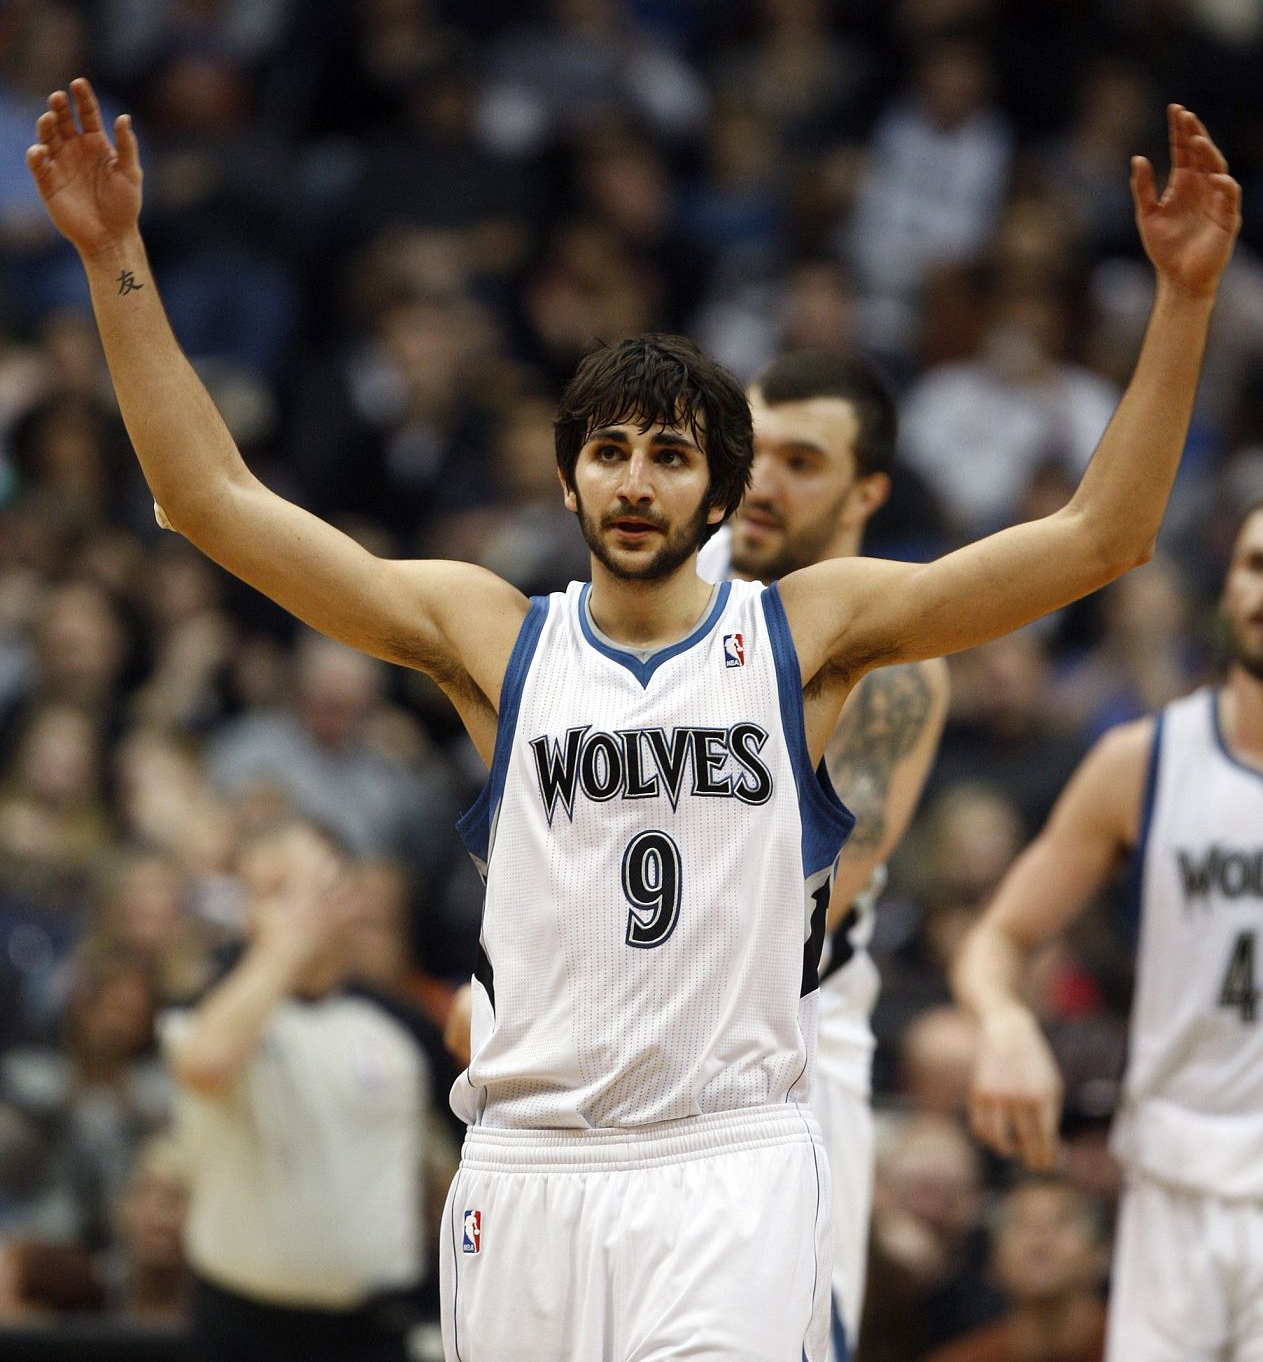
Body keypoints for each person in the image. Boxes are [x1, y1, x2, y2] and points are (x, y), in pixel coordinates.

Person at [26, 80, 1239, 1361]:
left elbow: (1104, 537)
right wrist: (117, 258)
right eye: (610, 451)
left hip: (725, 1161)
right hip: (528, 1163)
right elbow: (210, 497)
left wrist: (1184, 301)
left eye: (670, 454)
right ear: (568, 476)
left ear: (721, 489)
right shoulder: (493, 634)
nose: (637, 479)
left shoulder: (803, 633)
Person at [952, 498, 1263, 1362]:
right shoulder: (1147, 761)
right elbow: (995, 939)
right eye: (1250, 566)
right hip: (1174, 1182)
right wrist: (1006, 1023)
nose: (1260, 590)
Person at [697, 349, 950, 1360]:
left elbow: (811, 905)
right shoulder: (654, 592)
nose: (761, 481)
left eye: (802, 460)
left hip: (792, 1043)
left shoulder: (895, 664)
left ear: (867, 491)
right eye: (752, 450)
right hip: (630, 1016)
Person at [160, 819, 433, 1362]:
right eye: (265, 894)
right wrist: (286, 946)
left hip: (373, 1327)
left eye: (297, 891)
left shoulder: (401, 1025)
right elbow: (208, 1063)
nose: (285, 913)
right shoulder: (211, 1003)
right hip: (243, 1326)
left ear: (348, 898)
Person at [924, 1178, 1108, 1362]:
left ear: (1100, 1252)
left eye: (1062, 1222)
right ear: (992, 1260)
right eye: (1020, 1223)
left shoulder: (1131, 1345)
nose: (1040, 1241)